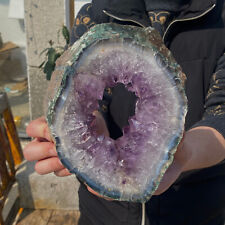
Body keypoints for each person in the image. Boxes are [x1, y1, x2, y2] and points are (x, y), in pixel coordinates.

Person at [24, 0, 225, 224]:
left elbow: (221, 112)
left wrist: (183, 155)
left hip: (195, 209)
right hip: (103, 214)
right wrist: (88, 126)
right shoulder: (95, 14)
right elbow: (87, 89)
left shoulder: (221, 17)